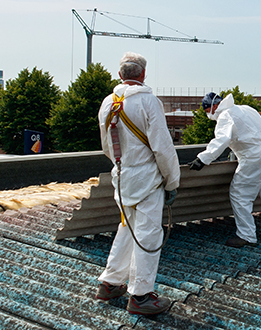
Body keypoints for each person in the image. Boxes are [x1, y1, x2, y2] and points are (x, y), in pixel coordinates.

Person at [95, 52, 180, 315]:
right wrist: (172, 181)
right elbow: (163, 148)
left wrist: (126, 167)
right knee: (148, 235)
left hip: (122, 178)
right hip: (147, 181)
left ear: (120, 75)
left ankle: (110, 283)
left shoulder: (108, 103)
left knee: (127, 229)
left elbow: (107, 147)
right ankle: (141, 296)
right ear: (143, 74)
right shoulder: (149, 102)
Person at [189, 92, 261, 248]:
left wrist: (203, 159)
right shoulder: (246, 109)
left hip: (254, 157)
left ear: (214, 106)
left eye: (207, 111)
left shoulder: (225, 115)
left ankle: (246, 235)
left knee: (240, 194)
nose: (209, 115)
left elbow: (222, 139)